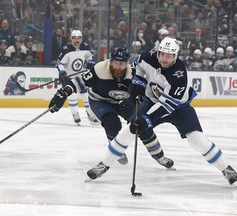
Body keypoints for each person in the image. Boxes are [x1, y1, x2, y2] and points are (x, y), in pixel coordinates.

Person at [84, 37, 237, 186]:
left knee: (196, 139)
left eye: (169, 56)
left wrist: (147, 119)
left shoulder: (179, 74)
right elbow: (138, 65)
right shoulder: (148, 57)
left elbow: (167, 105)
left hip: (179, 108)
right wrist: (138, 82)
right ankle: (104, 165)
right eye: (162, 54)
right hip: (152, 101)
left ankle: (227, 169)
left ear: (175, 56)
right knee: (130, 128)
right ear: (158, 52)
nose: (165, 59)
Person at [48, 47, 174, 168]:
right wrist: (64, 93)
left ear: (127, 64)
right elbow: (79, 82)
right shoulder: (99, 69)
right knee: (112, 123)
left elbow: (141, 92)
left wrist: (133, 100)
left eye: (122, 64)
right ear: (110, 61)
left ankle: (159, 156)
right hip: (100, 101)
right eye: (115, 63)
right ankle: (116, 148)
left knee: (141, 124)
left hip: (123, 102)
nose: (118, 67)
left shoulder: (133, 73)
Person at [56, 29, 97, 124]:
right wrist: (62, 72)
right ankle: (75, 114)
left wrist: (90, 62)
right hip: (68, 76)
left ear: (81, 39)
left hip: (80, 75)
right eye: (74, 38)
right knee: (72, 96)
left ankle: (90, 113)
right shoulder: (66, 49)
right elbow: (59, 63)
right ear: (71, 39)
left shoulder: (85, 47)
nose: (76, 40)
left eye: (79, 38)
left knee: (85, 95)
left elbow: (90, 56)